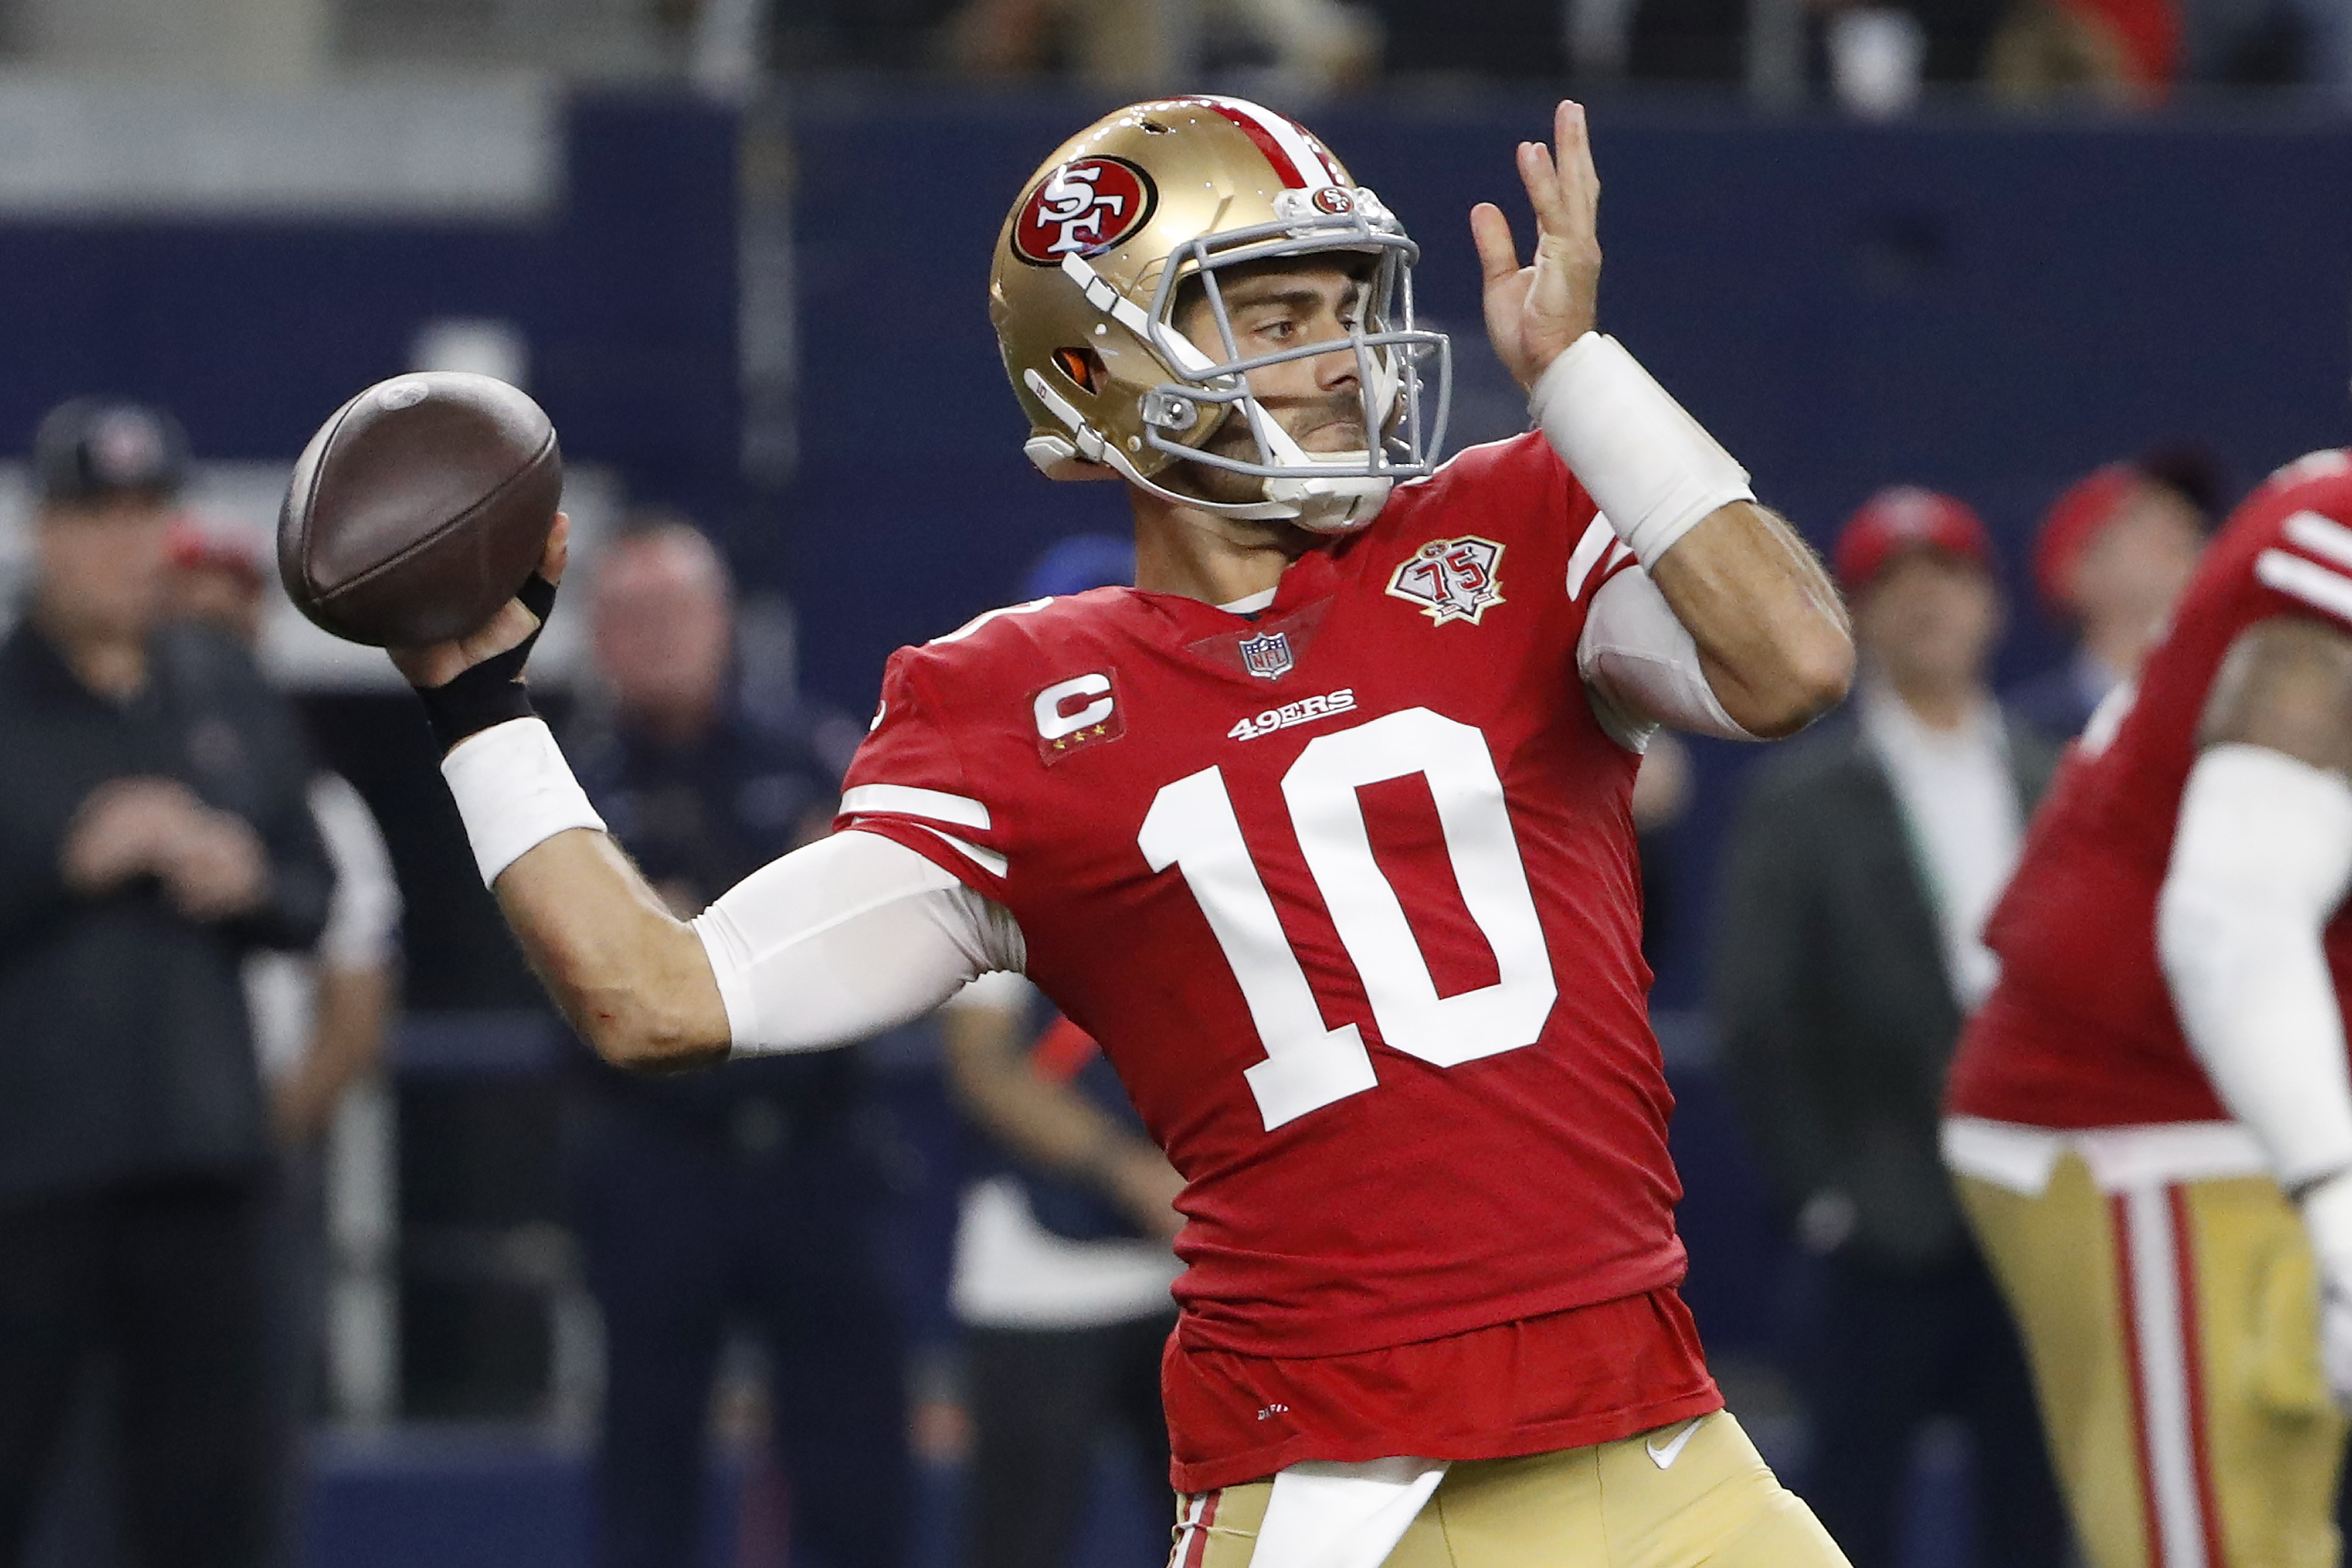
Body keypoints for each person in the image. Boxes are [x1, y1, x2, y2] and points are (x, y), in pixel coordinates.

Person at [384, 96, 1854, 1565]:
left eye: (1344, 306)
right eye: (1272, 314)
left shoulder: (1514, 524)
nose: (1340, 359)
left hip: (1655, 1431)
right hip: (1342, 1497)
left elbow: (1791, 663)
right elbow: (661, 998)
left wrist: (1586, 379)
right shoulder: (1013, 706)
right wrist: (480, 706)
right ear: (1104, 371)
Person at [1942, 445, 2352, 1566]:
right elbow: (2233, 925)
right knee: (2217, 1545)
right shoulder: (2335, 540)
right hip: (2152, 1116)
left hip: (2254, 1111)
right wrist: (2340, 1202)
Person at [0, 399, 333, 1568]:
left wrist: (248, 875)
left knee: (216, 1506)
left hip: (205, 1168)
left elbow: (314, 891)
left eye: (145, 514)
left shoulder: (224, 688)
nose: (123, 544)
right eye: (96, 516)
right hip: (29, 1181)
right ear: (45, 528)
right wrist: (62, 860)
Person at [1713, 488, 2068, 1568]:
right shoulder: (1802, 800)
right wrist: (1826, 1195)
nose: (1926, 606)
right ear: (1857, 615)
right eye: (1893, 585)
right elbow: (1757, 1015)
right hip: (1881, 1227)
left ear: (1992, 604)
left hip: (2038, 1218)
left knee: (2035, 1511)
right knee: (1847, 1515)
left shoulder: (2059, 783)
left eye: (1949, 577)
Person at [561, 518, 909, 1568]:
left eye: (678, 611)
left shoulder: (810, 747)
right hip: (656, 1154)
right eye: (632, 616)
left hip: (815, 1144)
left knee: (856, 1459)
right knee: (646, 1456)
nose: (658, 636)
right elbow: (586, 971)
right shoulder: (573, 797)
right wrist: (767, 909)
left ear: (724, 623)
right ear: (598, 637)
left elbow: (868, 921)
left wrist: (684, 929)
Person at [934, 534, 1183, 1568]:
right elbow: (983, 1063)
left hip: (1215, 1269)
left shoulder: (1236, 800)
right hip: (1048, 1267)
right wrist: (1132, 1174)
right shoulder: (989, 831)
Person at [162, 510, 404, 1564]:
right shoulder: (69, 770)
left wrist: (261, 1134)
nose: (215, 643)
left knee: (250, 1451)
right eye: (192, 620)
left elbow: (355, 1004)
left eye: (234, 621)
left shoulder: (315, 803)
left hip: (252, 1168)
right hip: (85, 1169)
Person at [2005, 456, 2209, 740]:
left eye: (2188, 519)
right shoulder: (2023, 735)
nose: (2180, 532)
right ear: (2077, 572)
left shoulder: (2235, 710)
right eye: (2140, 517)